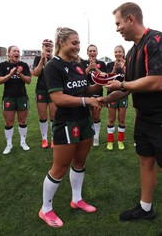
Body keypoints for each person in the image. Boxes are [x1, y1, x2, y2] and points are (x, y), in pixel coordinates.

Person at [100, 2, 162, 236]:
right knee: (145, 162)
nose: (117, 28)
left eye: (118, 23)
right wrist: (106, 99)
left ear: (130, 19)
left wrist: (122, 84)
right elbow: (129, 87)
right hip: (145, 117)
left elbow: (156, 82)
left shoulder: (157, 40)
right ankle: (145, 207)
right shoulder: (131, 51)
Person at [38, 27, 102, 227]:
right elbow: (58, 98)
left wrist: (102, 82)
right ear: (62, 42)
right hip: (66, 122)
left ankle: (77, 199)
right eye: (74, 43)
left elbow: (86, 89)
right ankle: (45, 209)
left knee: (80, 162)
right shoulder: (53, 67)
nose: (78, 47)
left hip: (84, 121)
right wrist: (88, 101)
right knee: (60, 167)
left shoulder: (79, 65)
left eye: (79, 43)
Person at [0, 46, 32, 154]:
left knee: (22, 120)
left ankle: (23, 142)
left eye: (18, 51)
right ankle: (9, 144)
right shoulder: (3, 65)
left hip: (22, 96)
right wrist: (10, 74)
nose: (17, 53)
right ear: (9, 53)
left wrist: (19, 73)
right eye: (14, 51)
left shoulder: (24, 65)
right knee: (8, 121)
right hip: (8, 97)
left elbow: (29, 80)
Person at [32, 39, 56, 149]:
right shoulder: (37, 58)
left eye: (50, 46)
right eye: (46, 45)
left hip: (53, 89)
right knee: (43, 116)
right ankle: (44, 138)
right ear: (42, 47)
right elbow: (36, 73)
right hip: (41, 89)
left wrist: (47, 63)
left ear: (53, 47)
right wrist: (42, 61)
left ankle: (53, 138)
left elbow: (52, 75)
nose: (48, 47)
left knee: (53, 115)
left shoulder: (55, 59)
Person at [81, 44, 107, 146]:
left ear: (97, 52)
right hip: (84, 93)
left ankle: (96, 137)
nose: (92, 53)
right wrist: (88, 68)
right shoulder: (82, 63)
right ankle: (85, 136)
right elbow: (80, 76)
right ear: (87, 53)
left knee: (95, 117)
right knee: (84, 116)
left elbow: (104, 76)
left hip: (97, 93)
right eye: (90, 51)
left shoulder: (101, 63)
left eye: (94, 51)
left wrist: (95, 68)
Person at [106, 45, 128, 151]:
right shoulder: (110, 64)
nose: (118, 53)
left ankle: (120, 141)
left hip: (123, 94)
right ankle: (110, 141)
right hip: (112, 95)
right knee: (111, 119)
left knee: (122, 119)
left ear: (123, 53)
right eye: (116, 52)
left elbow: (130, 78)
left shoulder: (127, 64)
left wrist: (124, 68)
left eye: (119, 51)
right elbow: (108, 78)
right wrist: (115, 68)